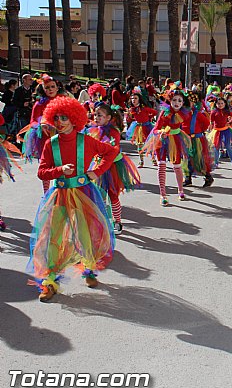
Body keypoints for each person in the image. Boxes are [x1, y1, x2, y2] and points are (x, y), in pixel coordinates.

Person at [28, 96, 119, 302]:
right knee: (54, 237)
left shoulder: (86, 140)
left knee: (85, 232)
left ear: (74, 119)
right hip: (60, 195)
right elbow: (42, 172)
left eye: (64, 118)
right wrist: (59, 170)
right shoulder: (51, 144)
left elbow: (111, 152)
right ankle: (50, 281)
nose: (59, 122)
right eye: (56, 118)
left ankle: (88, 269)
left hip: (84, 194)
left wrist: (96, 172)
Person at [85, 102, 141, 234]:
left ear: (108, 118)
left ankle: (117, 221)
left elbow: (113, 150)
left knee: (113, 194)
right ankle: (104, 220)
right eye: (95, 115)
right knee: (99, 195)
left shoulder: (113, 132)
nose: (96, 117)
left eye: (100, 115)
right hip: (99, 164)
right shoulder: (94, 130)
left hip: (112, 166)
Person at [142, 88, 192, 206]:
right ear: (170, 101)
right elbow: (156, 128)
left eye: (180, 100)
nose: (177, 103)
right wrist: (161, 132)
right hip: (163, 140)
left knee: (177, 166)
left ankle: (180, 190)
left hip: (176, 140)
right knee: (162, 166)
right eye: (174, 100)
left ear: (183, 103)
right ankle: (163, 194)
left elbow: (186, 126)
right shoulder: (164, 112)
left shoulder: (183, 113)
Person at [181, 92, 214, 188]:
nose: (187, 104)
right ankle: (187, 178)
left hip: (197, 139)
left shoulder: (197, 113)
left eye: (190, 102)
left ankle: (208, 177)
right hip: (185, 139)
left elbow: (206, 123)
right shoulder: (181, 114)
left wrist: (199, 131)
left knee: (198, 159)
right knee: (186, 159)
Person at [125, 89, 158, 167]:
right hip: (138, 127)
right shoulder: (132, 109)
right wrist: (129, 116)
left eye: (135, 98)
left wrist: (149, 117)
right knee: (139, 144)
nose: (134, 100)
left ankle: (153, 158)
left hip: (147, 126)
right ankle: (141, 161)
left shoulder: (144, 108)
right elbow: (130, 118)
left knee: (150, 143)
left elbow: (154, 112)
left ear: (139, 99)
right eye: (132, 98)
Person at [207, 97, 232, 170]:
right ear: (216, 104)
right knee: (216, 147)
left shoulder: (226, 111)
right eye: (218, 103)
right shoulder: (213, 112)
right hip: (217, 131)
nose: (220, 105)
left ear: (225, 104)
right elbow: (211, 122)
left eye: (222, 103)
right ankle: (216, 163)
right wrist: (210, 129)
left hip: (226, 130)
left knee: (228, 146)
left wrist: (230, 123)